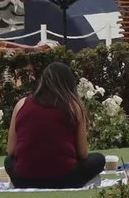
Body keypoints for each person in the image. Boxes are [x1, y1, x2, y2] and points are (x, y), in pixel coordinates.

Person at [7, 59, 108, 189]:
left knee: (8, 162)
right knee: (98, 159)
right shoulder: (73, 106)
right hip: (64, 178)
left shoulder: (21, 104)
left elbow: (10, 151)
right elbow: (83, 153)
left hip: (23, 179)